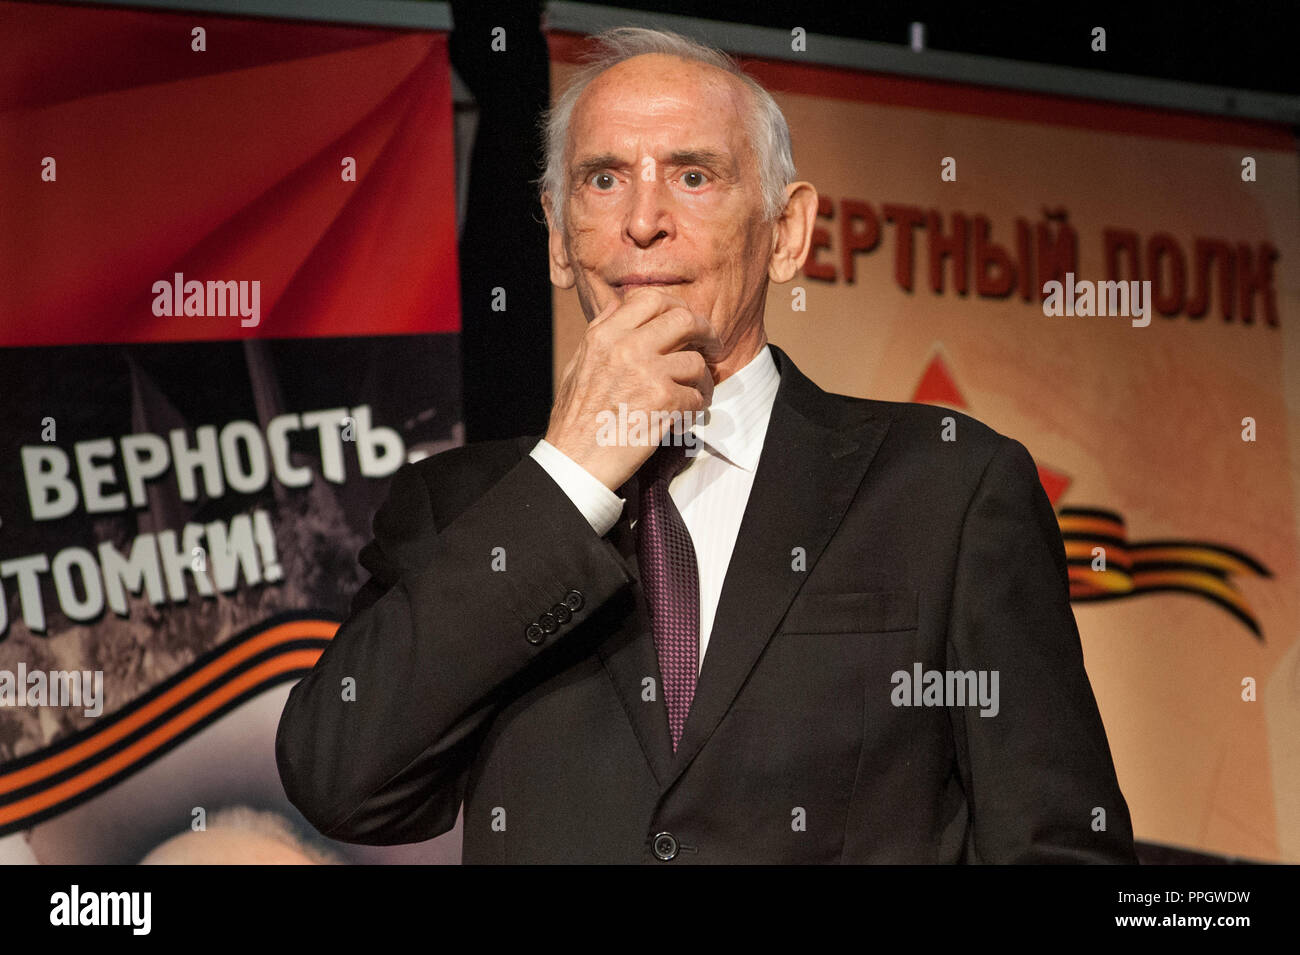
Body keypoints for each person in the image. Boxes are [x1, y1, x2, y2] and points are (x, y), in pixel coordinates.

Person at [275, 26, 1137, 864]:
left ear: (788, 232)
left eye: (693, 175)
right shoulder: (458, 509)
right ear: (555, 235)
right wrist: (571, 473)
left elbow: (1058, 842)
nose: (643, 221)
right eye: (604, 179)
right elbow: (340, 780)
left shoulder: (949, 487)